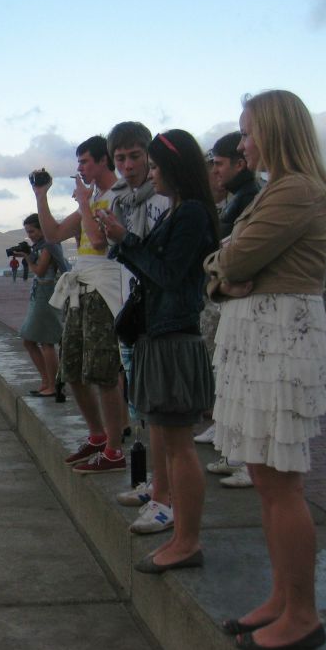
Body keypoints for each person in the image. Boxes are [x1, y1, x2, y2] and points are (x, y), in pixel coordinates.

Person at [204, 90, 326, 650]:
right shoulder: (276, 191)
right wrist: (224, 270)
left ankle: (302, 613)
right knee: (264, 478)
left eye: (249, 131)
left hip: (280, 337)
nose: (242, 143)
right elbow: (221, 265)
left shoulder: (297, 191)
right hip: (259, 337)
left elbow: (232, 259)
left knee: (282, 484)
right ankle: (281, 598)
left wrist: (225, 266)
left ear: (276, 131)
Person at [99, 129, 218, 574]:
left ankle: (187, 542)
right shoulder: (181, 213)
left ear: (170, 167)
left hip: (173, 338)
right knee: (168, 443)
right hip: (160, 335)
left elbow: (167, 274)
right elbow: (156, 268)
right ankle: (178, 531)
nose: (147, 172)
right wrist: (122, 240)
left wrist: (125, 242)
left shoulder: (190, 216)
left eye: (152, 166)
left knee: (179, 446)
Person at [36, 135, 128, 474]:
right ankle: (97, 434)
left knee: (103, 371)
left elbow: (102, 242)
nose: (80, 169)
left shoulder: (118, 197)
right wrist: (41, 196)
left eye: (85, 161)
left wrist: (86, 205)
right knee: (72, 367)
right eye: (78, 162)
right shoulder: (93, 200)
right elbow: (55, 234)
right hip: (81, 287)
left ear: (104, 160)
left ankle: (115, 449)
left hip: (105, 288)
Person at [105, 121, 173, 533]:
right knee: (143, 404)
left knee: (162, 412)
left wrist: (124, 240)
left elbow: (157, 261)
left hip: (161, 316)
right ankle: (153, 484)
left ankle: (166, 496)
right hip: (135, 310)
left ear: (150, 155)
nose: (128, 166)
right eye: (121, 159)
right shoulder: (122, 201)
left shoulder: (163, 201)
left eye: (135, 156)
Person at [197, 130, 264, 488]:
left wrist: (218, 273)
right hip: (233, 303)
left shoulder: (251, 196)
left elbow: (227, 252)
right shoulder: (243, 197)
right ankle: (232, 443)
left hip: (248, 306)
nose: (216, 172)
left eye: (220, 164)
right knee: (227, 372)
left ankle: (246, 457)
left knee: (245, 380)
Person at [18, 213, 69, 398]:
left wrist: (28, 258)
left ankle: (53, 385)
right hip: (39, 294)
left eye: (32, 231)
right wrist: (29, 254)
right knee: (29, 340)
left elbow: (39, 271)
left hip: (46, 295)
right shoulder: (42, 246)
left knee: (46, 341)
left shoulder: (49, 245)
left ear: (41, 228)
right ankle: (47, 381)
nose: (30, 235)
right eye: (28, 232)